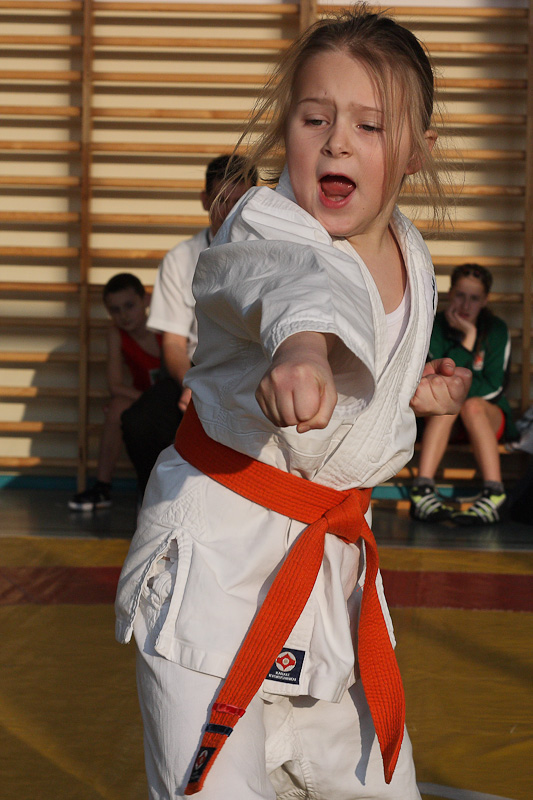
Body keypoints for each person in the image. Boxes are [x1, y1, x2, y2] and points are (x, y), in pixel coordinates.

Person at [115, 7, 471, 800]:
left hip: (329, 584)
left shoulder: (411, 252)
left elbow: (360, 380)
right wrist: (302, 351)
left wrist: (406, 391)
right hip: (217, 569)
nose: (337, 142)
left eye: (369, 125)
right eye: (315, 119)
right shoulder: (260, 223)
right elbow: (292, 290)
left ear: (415, 152)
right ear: (287, 132)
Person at [120, 155, 257, 494]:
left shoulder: (272, 254)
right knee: (139, 423)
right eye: (222, 200)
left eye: (240, 201)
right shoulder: (180, 259)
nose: (231, 211)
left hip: (254, 371)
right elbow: (173, 344)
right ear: (205, 200)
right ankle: (152, 501)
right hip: (196, 369)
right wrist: (192, 383)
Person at [409, 263, 517, 526]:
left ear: (485, 300)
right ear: (450, 293)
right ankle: (422, 490)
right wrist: (467, 343)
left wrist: (472, 337)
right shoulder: (435, 326)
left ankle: (495, 493)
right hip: (441, 420)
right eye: (460, 295)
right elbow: (438, 379)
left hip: (484, 417)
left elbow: (494, 386)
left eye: (474, 298)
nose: (466, 305)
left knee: (470, 406)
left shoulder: (496, 329)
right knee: (447, 404)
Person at [69, 273, 162, 511]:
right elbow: (115, 385)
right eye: (115, 310)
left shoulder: (165, 327)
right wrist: (152, 401)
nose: (123, 315)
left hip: (176, 400)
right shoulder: (116, 333)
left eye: (129, 306)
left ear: (146, 300)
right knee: (117, 406)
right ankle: (102, 487)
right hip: (148, 400)